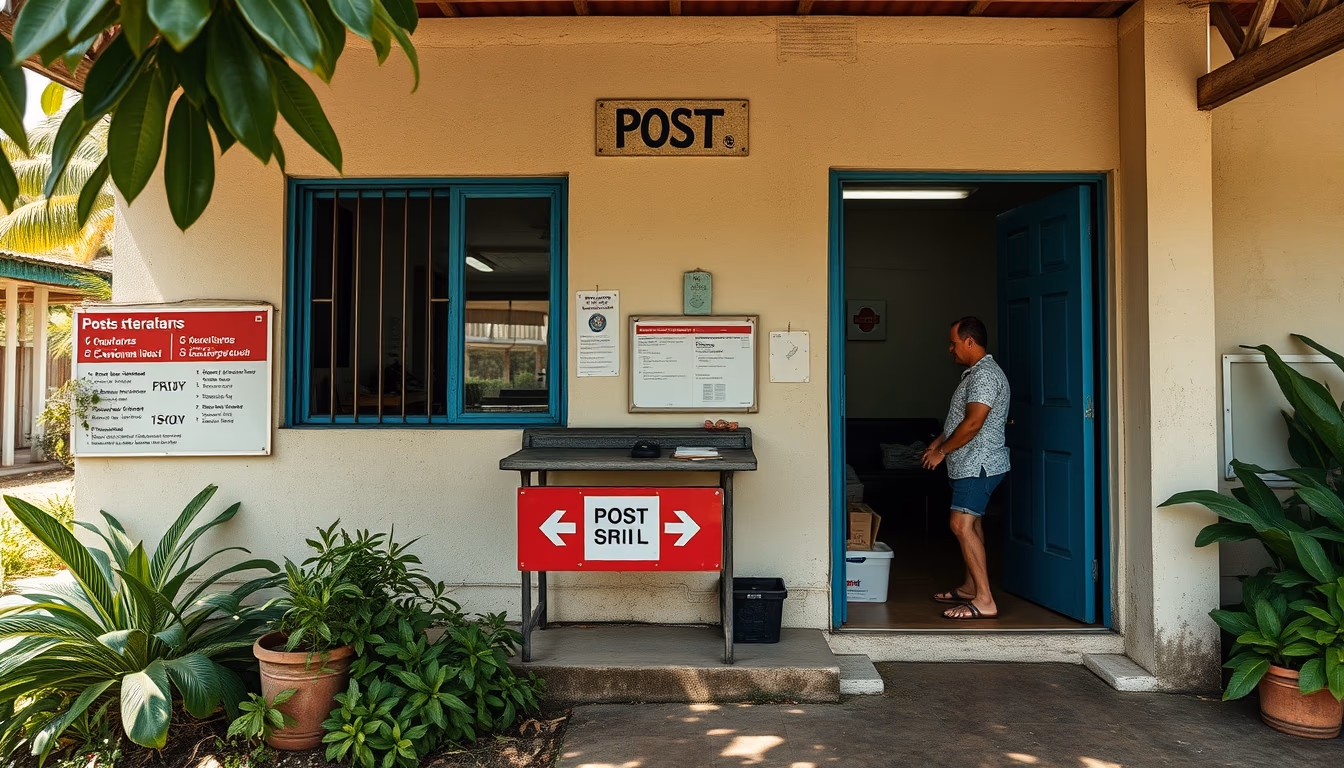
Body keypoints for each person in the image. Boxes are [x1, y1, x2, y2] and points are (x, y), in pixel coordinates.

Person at [920, 316, 1011, 620]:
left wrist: (942, 452)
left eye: (953, 342)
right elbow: (961, 420)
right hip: (969, 464)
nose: (950, 349)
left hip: (979, 465)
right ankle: (972, 587)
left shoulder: (985, 376)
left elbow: (973, 423)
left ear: (969, 341)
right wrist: (939, 441)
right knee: (973, 524)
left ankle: (985, 600)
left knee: (960, 525)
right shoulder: (974, 375)